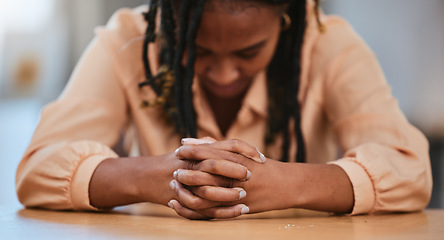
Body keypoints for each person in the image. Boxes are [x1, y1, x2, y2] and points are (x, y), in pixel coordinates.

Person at [16, 0, 432, 220]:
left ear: (285, 20)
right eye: (196, 51)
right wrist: (163, 177)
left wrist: (286, 184)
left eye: (249, 51)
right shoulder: (128, 41)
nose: (224, 72)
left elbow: (411, 170)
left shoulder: (329, 44)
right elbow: (37, 169)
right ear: (171, 26)